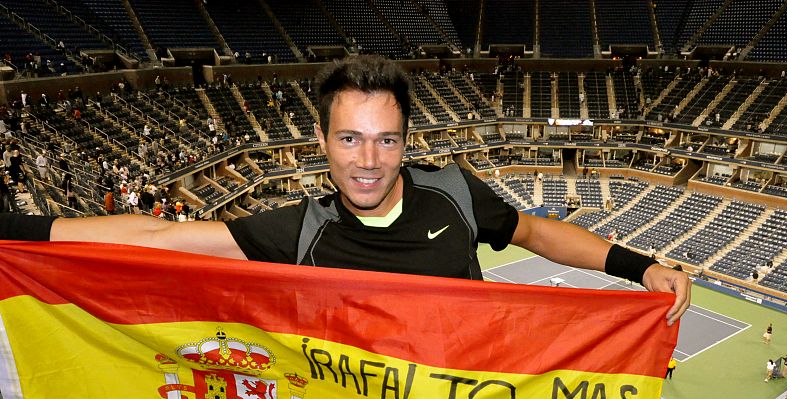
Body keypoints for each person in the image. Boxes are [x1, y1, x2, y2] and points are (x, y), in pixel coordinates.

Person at [0, 55, 691, 326]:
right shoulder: (299, 228)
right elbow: (158, 235)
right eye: (350, 138)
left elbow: (537, 232)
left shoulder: (454, 193)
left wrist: (640, 267)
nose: (368, 161)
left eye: (386, 140)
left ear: (407, 141)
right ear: (322, 141)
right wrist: (17, 232)